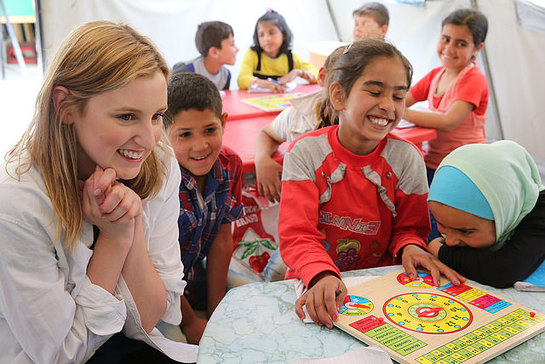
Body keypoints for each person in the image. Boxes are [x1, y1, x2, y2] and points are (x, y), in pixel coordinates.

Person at [0, 21, 197, 363]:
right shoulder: (17, 204)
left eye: (156, 116)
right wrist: (115, 239)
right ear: (65, 107)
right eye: (126, 116)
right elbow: (61, 355)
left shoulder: (159, 164)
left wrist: (128, 230)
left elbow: (154, 315)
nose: (150, 140)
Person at [278, 39, 464, 329]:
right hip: (313, 281)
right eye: (375, 91)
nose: (388, 105)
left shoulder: (407, 158)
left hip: (381, 289)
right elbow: (298, 236)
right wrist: (321, 274)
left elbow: (409, 229)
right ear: (339, 96)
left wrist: (411, 248)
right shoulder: (305, 153)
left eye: (399, 97)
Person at [164, 72, 245, 344]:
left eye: (210, 130)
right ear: (163, 135)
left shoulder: (231, 165)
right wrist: (190, 321)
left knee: (256, 299)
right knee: (178, 345)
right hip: (158, 288)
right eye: (184, 135)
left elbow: (222, 240)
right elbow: (155, 265)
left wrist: (215, 311)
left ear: (223, 123)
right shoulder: (157, 181)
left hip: (195, 277)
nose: (200, 146)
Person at [403, 8, 489, 238]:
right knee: (420, 211)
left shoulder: (474, 79)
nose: (449, 48)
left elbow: (449, 121)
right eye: (446, 39)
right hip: (434, 162)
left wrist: (402, 112)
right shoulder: (435, 74)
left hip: (464, 166)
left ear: (477, 48)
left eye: (461, 44)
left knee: (441, 224)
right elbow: (403, 97)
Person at [425, 140, 545, 288]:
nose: (449, 241)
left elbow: (503, 270)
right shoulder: (456, 216)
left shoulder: (539, 213)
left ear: (503, 214)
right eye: (441, 224)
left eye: (465, 231)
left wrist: (442, 252)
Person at [254, 45, 344, 202]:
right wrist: (261, 159)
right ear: (322, 77)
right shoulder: (297, 116)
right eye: (342, 84)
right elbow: (267, 133)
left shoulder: (365, 127)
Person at [237, 9, 318, 92]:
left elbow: (318, 75)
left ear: (284, 35)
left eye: (271, 33)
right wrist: (267, 84)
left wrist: (298, 72)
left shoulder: (291, 57)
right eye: (261, 35)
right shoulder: (253, 54)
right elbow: (242, 79)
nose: (266, 39)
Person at [172, 21, 238, 90]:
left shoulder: (226, 76)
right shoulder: (184, 70)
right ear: (214, 52)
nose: (237, 49)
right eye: (232, 44)